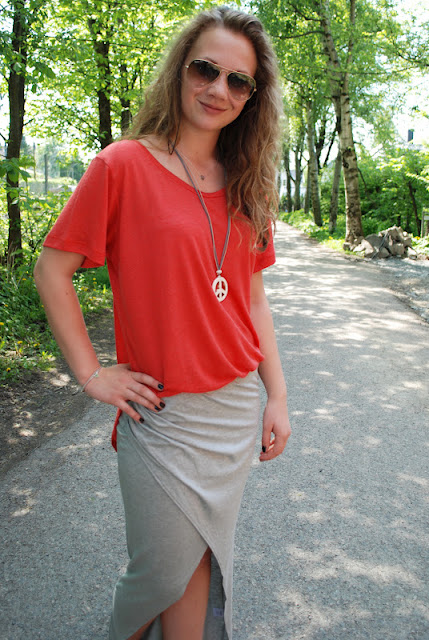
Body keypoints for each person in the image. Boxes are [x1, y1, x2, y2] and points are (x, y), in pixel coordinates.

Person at [34, 5, 291, 640]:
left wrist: (277, 396)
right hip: (164, 413)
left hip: (233, 409)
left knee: (197, 563)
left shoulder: (248, 184)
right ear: (181, 69)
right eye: (206, 69)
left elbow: (252, 300)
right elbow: (51, 268)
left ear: (252, 97)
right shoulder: (121, 165)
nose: (219, 89)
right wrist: (92, 374)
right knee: (157, 573)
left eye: (238, 81)